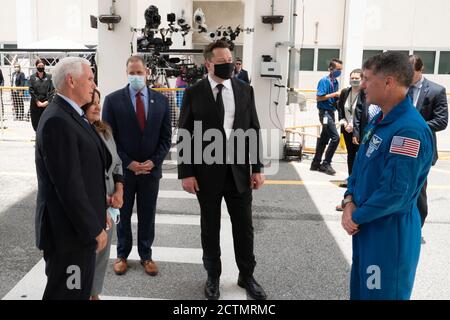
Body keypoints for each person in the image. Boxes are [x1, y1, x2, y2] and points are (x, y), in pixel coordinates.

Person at [178, 40, 267, 300]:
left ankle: (247, 275)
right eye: (221, 62)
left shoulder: (244, 89)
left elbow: (253, 129)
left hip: (239, 173)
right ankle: (213, 276)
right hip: (206, 175)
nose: (228, 65)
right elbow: (185, 133)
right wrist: (186, 172)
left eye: (230, 60)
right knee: (210, 227)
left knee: (244, 227)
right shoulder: (195, 92)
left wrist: (257, 167)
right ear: (207, 64)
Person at [341, 51, 433, 300]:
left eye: (368, 79)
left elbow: (395, 192)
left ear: (389, 82)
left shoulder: (408, 130)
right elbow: (359, 166)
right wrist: (349, 200)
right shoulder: (381, 120)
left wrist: (355, 216)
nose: (362, 85)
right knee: (362, 294)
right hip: (367, 226)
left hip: (388, 234)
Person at [35, 57, 108, 300]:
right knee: (67, 295)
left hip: (76, 232)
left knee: (77, 293)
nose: (93, 84)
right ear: (71, 81)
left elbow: (86, 174)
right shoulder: (58, 120)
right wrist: (93, 229)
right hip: (68, 236)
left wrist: (100, 212)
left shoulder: (73, 115)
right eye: (89, 78)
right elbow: (69, 186)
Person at [102, 55, 172, 277]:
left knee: (147, 214)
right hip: (124, 172)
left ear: (147, 73)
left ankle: (146, 255)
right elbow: (109, 139)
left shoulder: (161, 101)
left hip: (151, 171)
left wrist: (154, 161)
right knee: (122, 213)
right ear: (126, 73)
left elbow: (166, 138)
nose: (135, 76)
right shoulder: (113, 101)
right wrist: (129, 163)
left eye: (139, 73)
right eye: (131, 73)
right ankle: (122, 255)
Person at [81, 89, 124, 300]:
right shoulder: (78, 132)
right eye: (92, 103)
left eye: (99, 102)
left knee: (102, 252)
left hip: (109, 203)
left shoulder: (104, 130)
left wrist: (119, 190)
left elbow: (117, 164)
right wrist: (102, 201)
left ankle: (94, 292)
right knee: (87, 252)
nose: (97, 107)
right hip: (91, 203)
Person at [408, 54, 448, 229]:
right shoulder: (401, 88)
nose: (407, 77)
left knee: (418, 189)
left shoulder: (436, 90)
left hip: (422, 148)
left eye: (411, 73)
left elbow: (441, 121)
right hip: (399, 146)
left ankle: (417, 226)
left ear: (421, 70)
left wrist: (416, 126)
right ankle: (404, 225)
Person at [310, 58, 343, 175]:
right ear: (330, 69)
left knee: (324, 138)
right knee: (335, 138)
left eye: (341, 70)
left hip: (331, 112)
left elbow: (334, 98)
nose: (339, 72)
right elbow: (319, 97)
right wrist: (335, 94)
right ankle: (326, 163)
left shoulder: (335, 82)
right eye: (337, 69)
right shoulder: (324, 81)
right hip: (324, 112)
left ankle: (315, 163)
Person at [29, 59, 55, 131]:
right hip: (35, 104)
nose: (41, 67)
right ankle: (37, 136)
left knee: (46, 122)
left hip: (46, 103)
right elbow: (31, 90)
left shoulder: (49, 77)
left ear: (44, 66)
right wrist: (37, 102)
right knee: (35, 122)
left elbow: (52, 90)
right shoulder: (32, 77)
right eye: (39, 66)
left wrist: (47, 102)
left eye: (42, 66)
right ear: (36, 66)